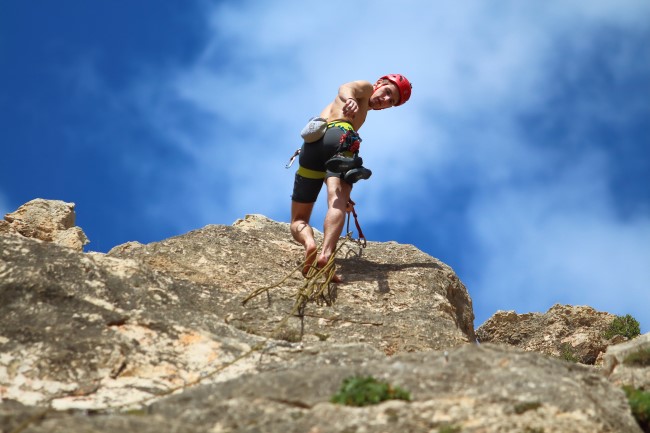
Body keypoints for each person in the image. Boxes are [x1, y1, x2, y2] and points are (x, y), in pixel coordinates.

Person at [290, 74, 412, 281]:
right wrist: (351, 99)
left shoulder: (356, 105)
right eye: (388, 92)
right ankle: (326, 255)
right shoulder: (364, 90)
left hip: (312, 146)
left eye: (391, 102)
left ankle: (309, 242)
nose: (385, 101)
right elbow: (346, 86)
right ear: (380, 83)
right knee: (336, 202)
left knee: (298, 220)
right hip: (341, 137)